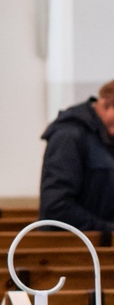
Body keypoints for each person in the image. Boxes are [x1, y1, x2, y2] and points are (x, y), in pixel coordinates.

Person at [39, 82, 114, 232]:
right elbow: (56, 205)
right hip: (70, 242)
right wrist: (104, 229)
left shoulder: (105, 137)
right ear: (106, 105)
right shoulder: (68, 135)